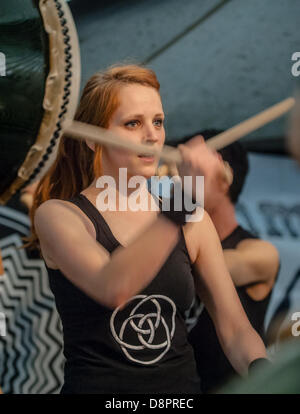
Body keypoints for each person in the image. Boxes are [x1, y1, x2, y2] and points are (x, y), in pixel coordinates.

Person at [25, 65, 268, 394]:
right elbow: (114, 287)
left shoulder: (192, 221)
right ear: (92, 139)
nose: (152, 135)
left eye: (158, 121)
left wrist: (269, 375)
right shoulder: (59, 216)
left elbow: (236, 329)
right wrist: (184, 197)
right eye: (133, 123)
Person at [187, 131, 279, 393]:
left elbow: (211, 266)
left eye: (195, 170)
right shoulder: (170, 239)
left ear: (224, 178)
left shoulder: (260, 253)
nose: (180, 179)